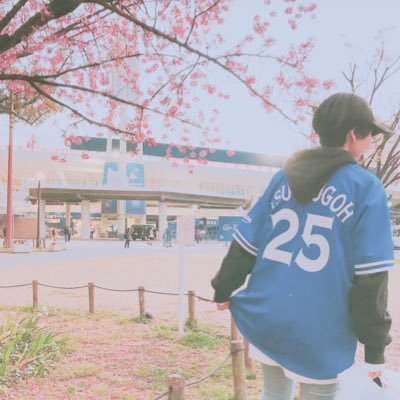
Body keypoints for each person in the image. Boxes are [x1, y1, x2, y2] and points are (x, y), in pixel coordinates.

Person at [211, 93, 394, 400]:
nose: (371, 141)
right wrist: (374, 347)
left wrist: (223, 288)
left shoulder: (284, 175)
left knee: (272, 393)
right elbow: (371, 276)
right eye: (370, 134)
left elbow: (246, 243)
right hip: (320, 327)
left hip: (269, 314)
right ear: (353, 134)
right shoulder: (366, 187)